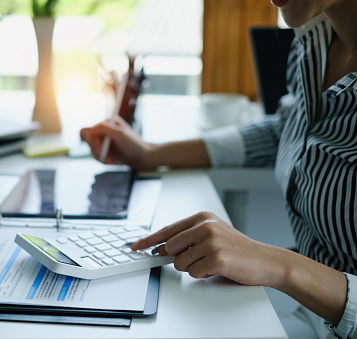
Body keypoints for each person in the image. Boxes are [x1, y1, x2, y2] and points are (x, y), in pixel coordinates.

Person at [80, 0, 357, 338]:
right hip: (312, 321)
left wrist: (278, 264)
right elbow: (289, 128)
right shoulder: (313, 41)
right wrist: (151, 153)